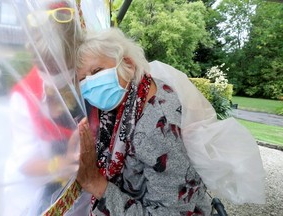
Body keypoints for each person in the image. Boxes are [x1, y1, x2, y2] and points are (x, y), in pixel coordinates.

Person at [74, 27, 212, 215]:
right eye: (82, 79)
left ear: (128, 65)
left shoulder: (158, 129)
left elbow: (169, 212)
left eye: (97, 71)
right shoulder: (136, 91)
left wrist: (96, 183)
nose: (90, 83)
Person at [4, 0, 84, 215]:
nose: (50, 77)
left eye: (57, 68)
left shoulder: (89, 79)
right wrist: (60, 165)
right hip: (34, 193)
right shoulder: (23, 96)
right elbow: (25, 162)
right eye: (43, 67)